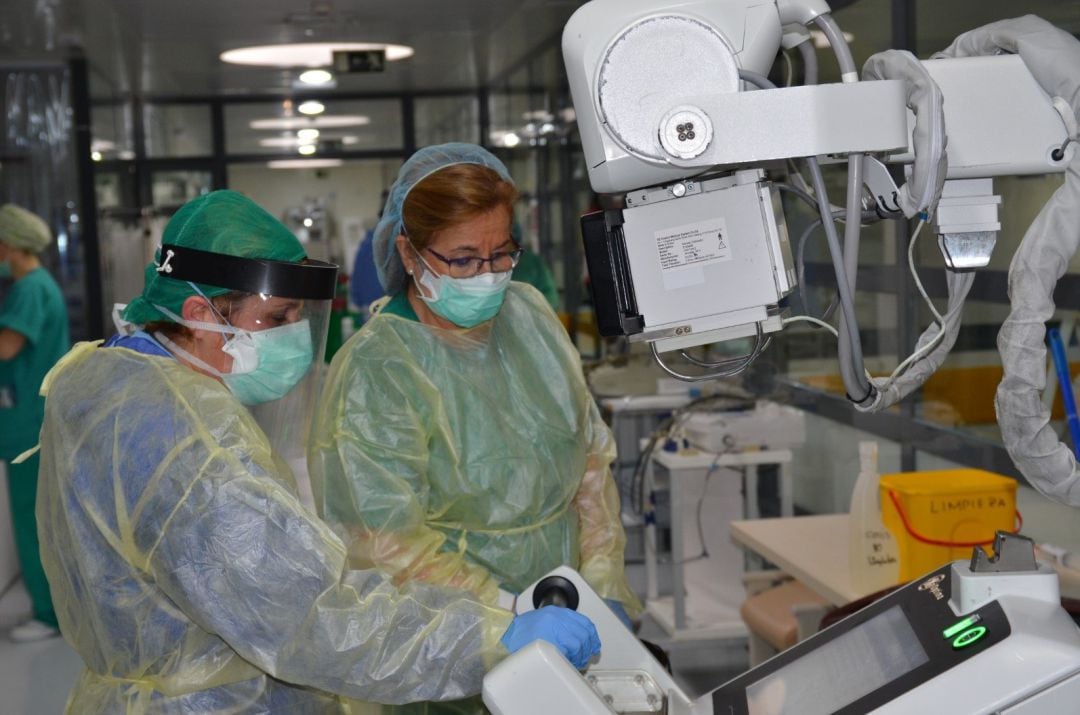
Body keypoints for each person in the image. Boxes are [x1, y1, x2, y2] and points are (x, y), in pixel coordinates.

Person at [34, 190, 599, 714]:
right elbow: (314, 618)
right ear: (201, 314)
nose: (294, 334)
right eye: (276, 318)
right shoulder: (195, 445)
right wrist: (491, 638)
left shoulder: (104, 374)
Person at [308, 144, 640, 714]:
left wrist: (601, 586)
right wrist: (506, 617)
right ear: (409, 254)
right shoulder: (378, 367)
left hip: (569, 620)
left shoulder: (530, 314)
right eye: (463, 259)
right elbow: (384, 543)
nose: (487, 276)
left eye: (501, 254)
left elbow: (589, 467)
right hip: (445, 655)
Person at [0, 204, 68, 643]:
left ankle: (49, 615)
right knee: (40, 517)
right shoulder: (40, 284)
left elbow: (7, 347)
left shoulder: (29, 289)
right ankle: (55, 608)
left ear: (9, 245)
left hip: (29, 424)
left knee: (33, 518)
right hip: (32, 417)